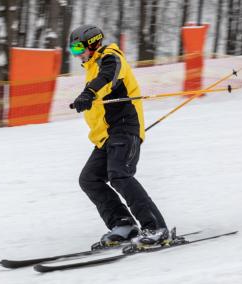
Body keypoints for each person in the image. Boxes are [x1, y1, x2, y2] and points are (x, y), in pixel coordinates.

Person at [69, 25, 168, 248]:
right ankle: (123, 224)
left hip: (124, 129)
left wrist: (88, 92)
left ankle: (156, 228)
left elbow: (108, 77)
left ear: (93, 43)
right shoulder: (91, 67)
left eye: (78, 48)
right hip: (106, 136)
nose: (76, 54)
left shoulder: (111, 58)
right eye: (72, 49)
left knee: (119, 175)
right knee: (90, 179)